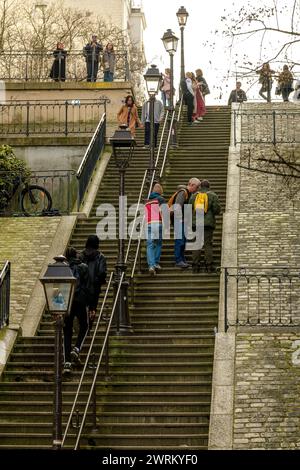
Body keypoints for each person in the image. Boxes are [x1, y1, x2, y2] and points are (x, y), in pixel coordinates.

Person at [63, 247, 90, 375]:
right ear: (76, 255)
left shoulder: (63, 268)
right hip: (80, 301)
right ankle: (77, 348)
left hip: (67, 302)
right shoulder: (83, 267)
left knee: (67, 331)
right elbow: (88, 286)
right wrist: (90, 304)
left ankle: (67, 362)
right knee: (84, 325)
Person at [168, 178, 201, 269]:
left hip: (182, 221)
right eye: (197, 187)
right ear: (192, 185)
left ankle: (182, 260)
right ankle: (179, 260)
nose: (197, 189)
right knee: (180, 240)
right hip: (179, 221)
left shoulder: (188, 193)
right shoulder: (183, 192)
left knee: (183, 241)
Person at [189, 180, 221, 273]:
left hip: (196, 223)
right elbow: (216, 210)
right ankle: (209, 265)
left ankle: (195, 266)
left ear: (200, 187)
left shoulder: (194, 196)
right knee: (208, 244)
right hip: (208, 224)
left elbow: (190, 207)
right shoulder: (213, 195)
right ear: (209, 186)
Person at [80, 235, 107, 328]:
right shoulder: (100, 257)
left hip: (82, 287)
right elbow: (102, 272)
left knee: (82, 306)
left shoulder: (81, 255)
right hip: (94, 288)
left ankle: (82, 324)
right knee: (93, 307)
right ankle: (89, 325)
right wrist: (101, 281)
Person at [145, 183, 166, 276]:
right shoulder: (161, 199)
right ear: (160, 192)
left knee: (150, 245)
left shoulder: (147, 200)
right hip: (158, 223)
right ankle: (156, 262)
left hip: (148, 223)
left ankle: (151, 266)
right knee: (158, 243)